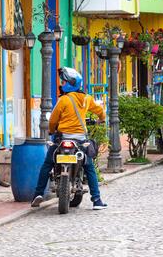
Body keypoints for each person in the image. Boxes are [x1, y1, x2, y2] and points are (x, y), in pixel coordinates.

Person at [31, 67, 108, 210]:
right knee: (89, 167)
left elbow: (53, 120)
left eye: (63, 80)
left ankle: (38, 193)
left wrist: (52, 130)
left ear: (69, 83)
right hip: (80, 141)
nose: (62, 83)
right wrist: (101, 120)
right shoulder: (86, 99)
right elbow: (101, 112)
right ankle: (96, 200)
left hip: (63, 139)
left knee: (47, 164)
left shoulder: (63, 100)